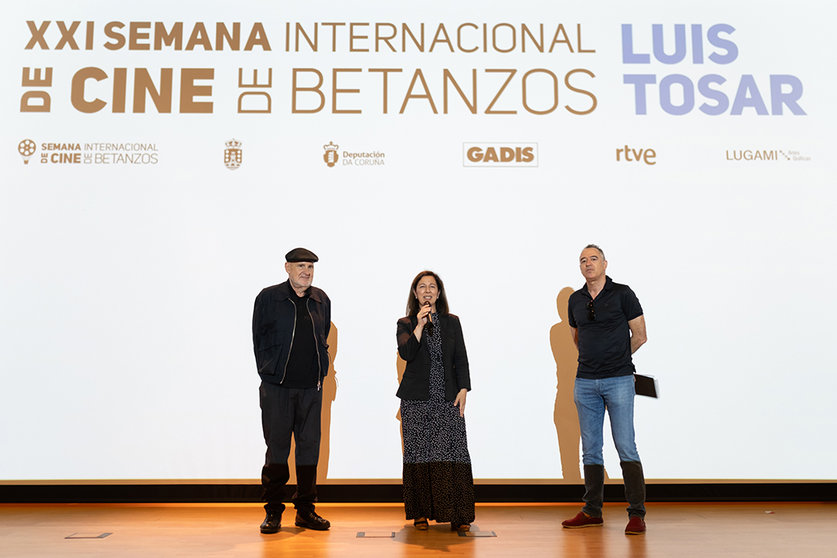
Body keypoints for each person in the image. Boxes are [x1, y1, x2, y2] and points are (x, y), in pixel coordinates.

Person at [561, 244, 649, 535]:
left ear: (605, 264)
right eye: (583, 260)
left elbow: (640, 335)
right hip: (585, 382)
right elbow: (578, 337)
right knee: (591, 450)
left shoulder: (623, 294)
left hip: (619, 380)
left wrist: (618, 359)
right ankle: (592, 510)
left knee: (625, 445)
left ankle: (636, 514)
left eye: (593, 259)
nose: (588, 264)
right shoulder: (575, 300)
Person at [252, 247, 331, 534]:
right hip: (278, 390)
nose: (306, 272)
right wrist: (268, 371)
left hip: (311, 389)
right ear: (287, 268)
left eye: (310, 267)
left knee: (309, 451)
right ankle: (273, 512)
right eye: (300, 266)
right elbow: (258, 338)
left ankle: (306, 511)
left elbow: (322, 338)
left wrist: (321, 372)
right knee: (277, 451)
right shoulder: (269, 297)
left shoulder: (321, 299)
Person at [396, 270, 475, 532]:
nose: (427, 291)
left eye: (432, 286)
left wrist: (464, 387)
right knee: (418, 455)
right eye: (422, 287)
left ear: (438, 293)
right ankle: (420, 513)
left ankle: (457, 514)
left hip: (448, 398)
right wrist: (419, 325)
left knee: (452, 453)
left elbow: (461, 357)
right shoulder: (406, 323)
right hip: (416, 401)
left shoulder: (452, 322)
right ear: (415, 293)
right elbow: (407, 353)